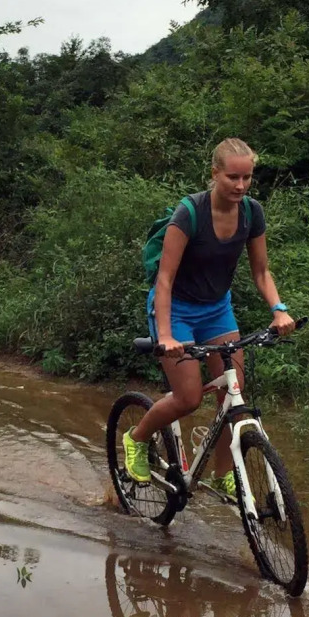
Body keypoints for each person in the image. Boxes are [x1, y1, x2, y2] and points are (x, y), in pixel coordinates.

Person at [123, 138, 295, 493]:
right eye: (232, 177)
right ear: (214, 173)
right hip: (177, 309)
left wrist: (279, 310)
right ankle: (137, 438)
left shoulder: (252, 212)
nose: (240, 185)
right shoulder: (189, 214)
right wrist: (168, 336)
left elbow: (262, 272)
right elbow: (165, 279)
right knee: (188, 398)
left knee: (233, 395)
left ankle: (223, 473)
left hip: (217, 309)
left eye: (247, 177)